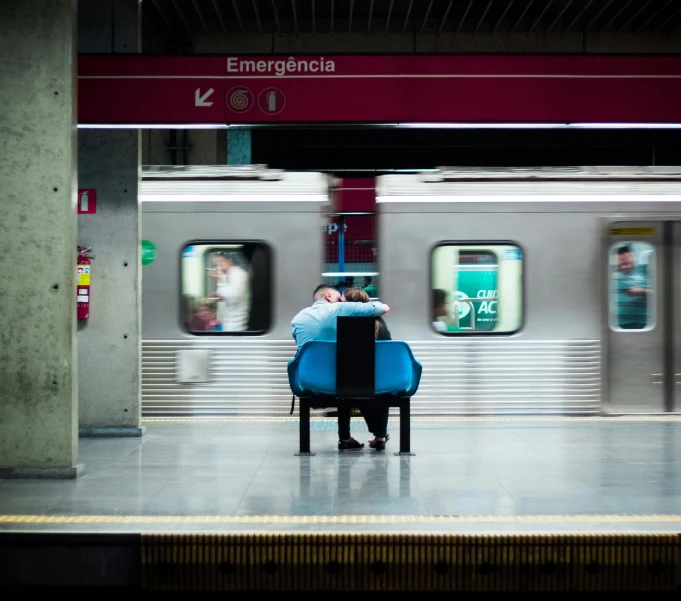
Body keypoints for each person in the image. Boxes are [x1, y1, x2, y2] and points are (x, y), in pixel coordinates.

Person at [291, 284, 390, 451]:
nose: (341, 303)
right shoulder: (338, 310)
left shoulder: (297, 319)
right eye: (338, 299)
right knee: (348, 376)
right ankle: (376, 434)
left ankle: (345, 438)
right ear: (329, 297)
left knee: (344, 378)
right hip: (341, 382)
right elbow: (382, 307)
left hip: (307, 382)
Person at [341, 287, 392, 451]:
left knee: (352, 389)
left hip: (353, 381)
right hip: (381, 379)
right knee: (378, 391)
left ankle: (345, 438)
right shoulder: (380, 322)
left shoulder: (345, 323)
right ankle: (380, 436)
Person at [208, 252, 250, 332]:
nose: (218, 267)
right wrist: (219, 297)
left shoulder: (240, 274)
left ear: (229, 261)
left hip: (237, 325)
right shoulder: (228, 275)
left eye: (220, 263)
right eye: (215, 265)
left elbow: (234, 297)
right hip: (228, 322)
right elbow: (228, 294)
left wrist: (219, 281)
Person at [614, 245, 650, 330]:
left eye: (626, 263)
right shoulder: (613, 275)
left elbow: (660, 293)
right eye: (620, 265)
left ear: (634, 257)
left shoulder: (645, 271)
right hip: (620, 325)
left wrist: (641, 292)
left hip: (644, 323)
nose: (623, 267)